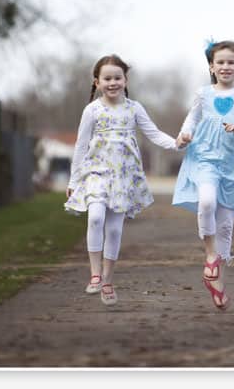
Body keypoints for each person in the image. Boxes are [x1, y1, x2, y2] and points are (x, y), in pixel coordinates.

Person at [65, 54, 179, 306]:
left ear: (125, 80)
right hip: (96, 173)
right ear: (97, 82)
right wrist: (74, 181)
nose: (113, 82)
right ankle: (95, 274)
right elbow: (81, 145)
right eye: (107, 78)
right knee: (95, 217)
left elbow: (153, 133)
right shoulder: (92, 110)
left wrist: (176, 143)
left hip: (124, 177)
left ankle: (107, 279)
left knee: (115, 228)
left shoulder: (134, 108)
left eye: (117, 77)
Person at [173, 39, 234, 310]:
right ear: (212, 67)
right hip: (204, 157)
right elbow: (191, 118)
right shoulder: (203, 94)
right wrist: (184, 134)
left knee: (225, 224)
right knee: (207, 202)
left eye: (231, 62)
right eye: (220, 62)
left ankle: (217, 281)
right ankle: (210, 256)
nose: (225, 66)